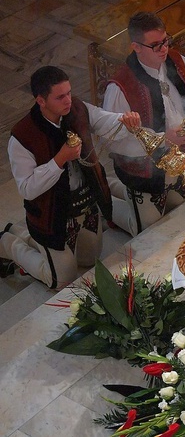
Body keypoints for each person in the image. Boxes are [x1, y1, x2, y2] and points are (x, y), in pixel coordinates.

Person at [0, 66, 140, 289]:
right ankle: (7, 244)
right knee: (61, 280)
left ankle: (24, 236)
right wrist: (59, 160)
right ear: (41, 100)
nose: (68, 100)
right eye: (60, 96)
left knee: (89, 260)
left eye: (69, 92)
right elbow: (26, 188)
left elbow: (105, 121)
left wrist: (126, 121)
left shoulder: (76, 108)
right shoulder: (22, 135)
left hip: (85, 206)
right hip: (53, 215)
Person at [102, 11, 185, 237]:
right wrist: (163, 139)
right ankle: (101, 202)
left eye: (165, 41)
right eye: (155, 45)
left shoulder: (178, 62)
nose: (164, 49)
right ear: (136, 47)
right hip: (144, 170)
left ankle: (115, 190)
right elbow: (114, 140)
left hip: (181, 159)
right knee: (147, 227)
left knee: (176, 207)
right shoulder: (121, 86)